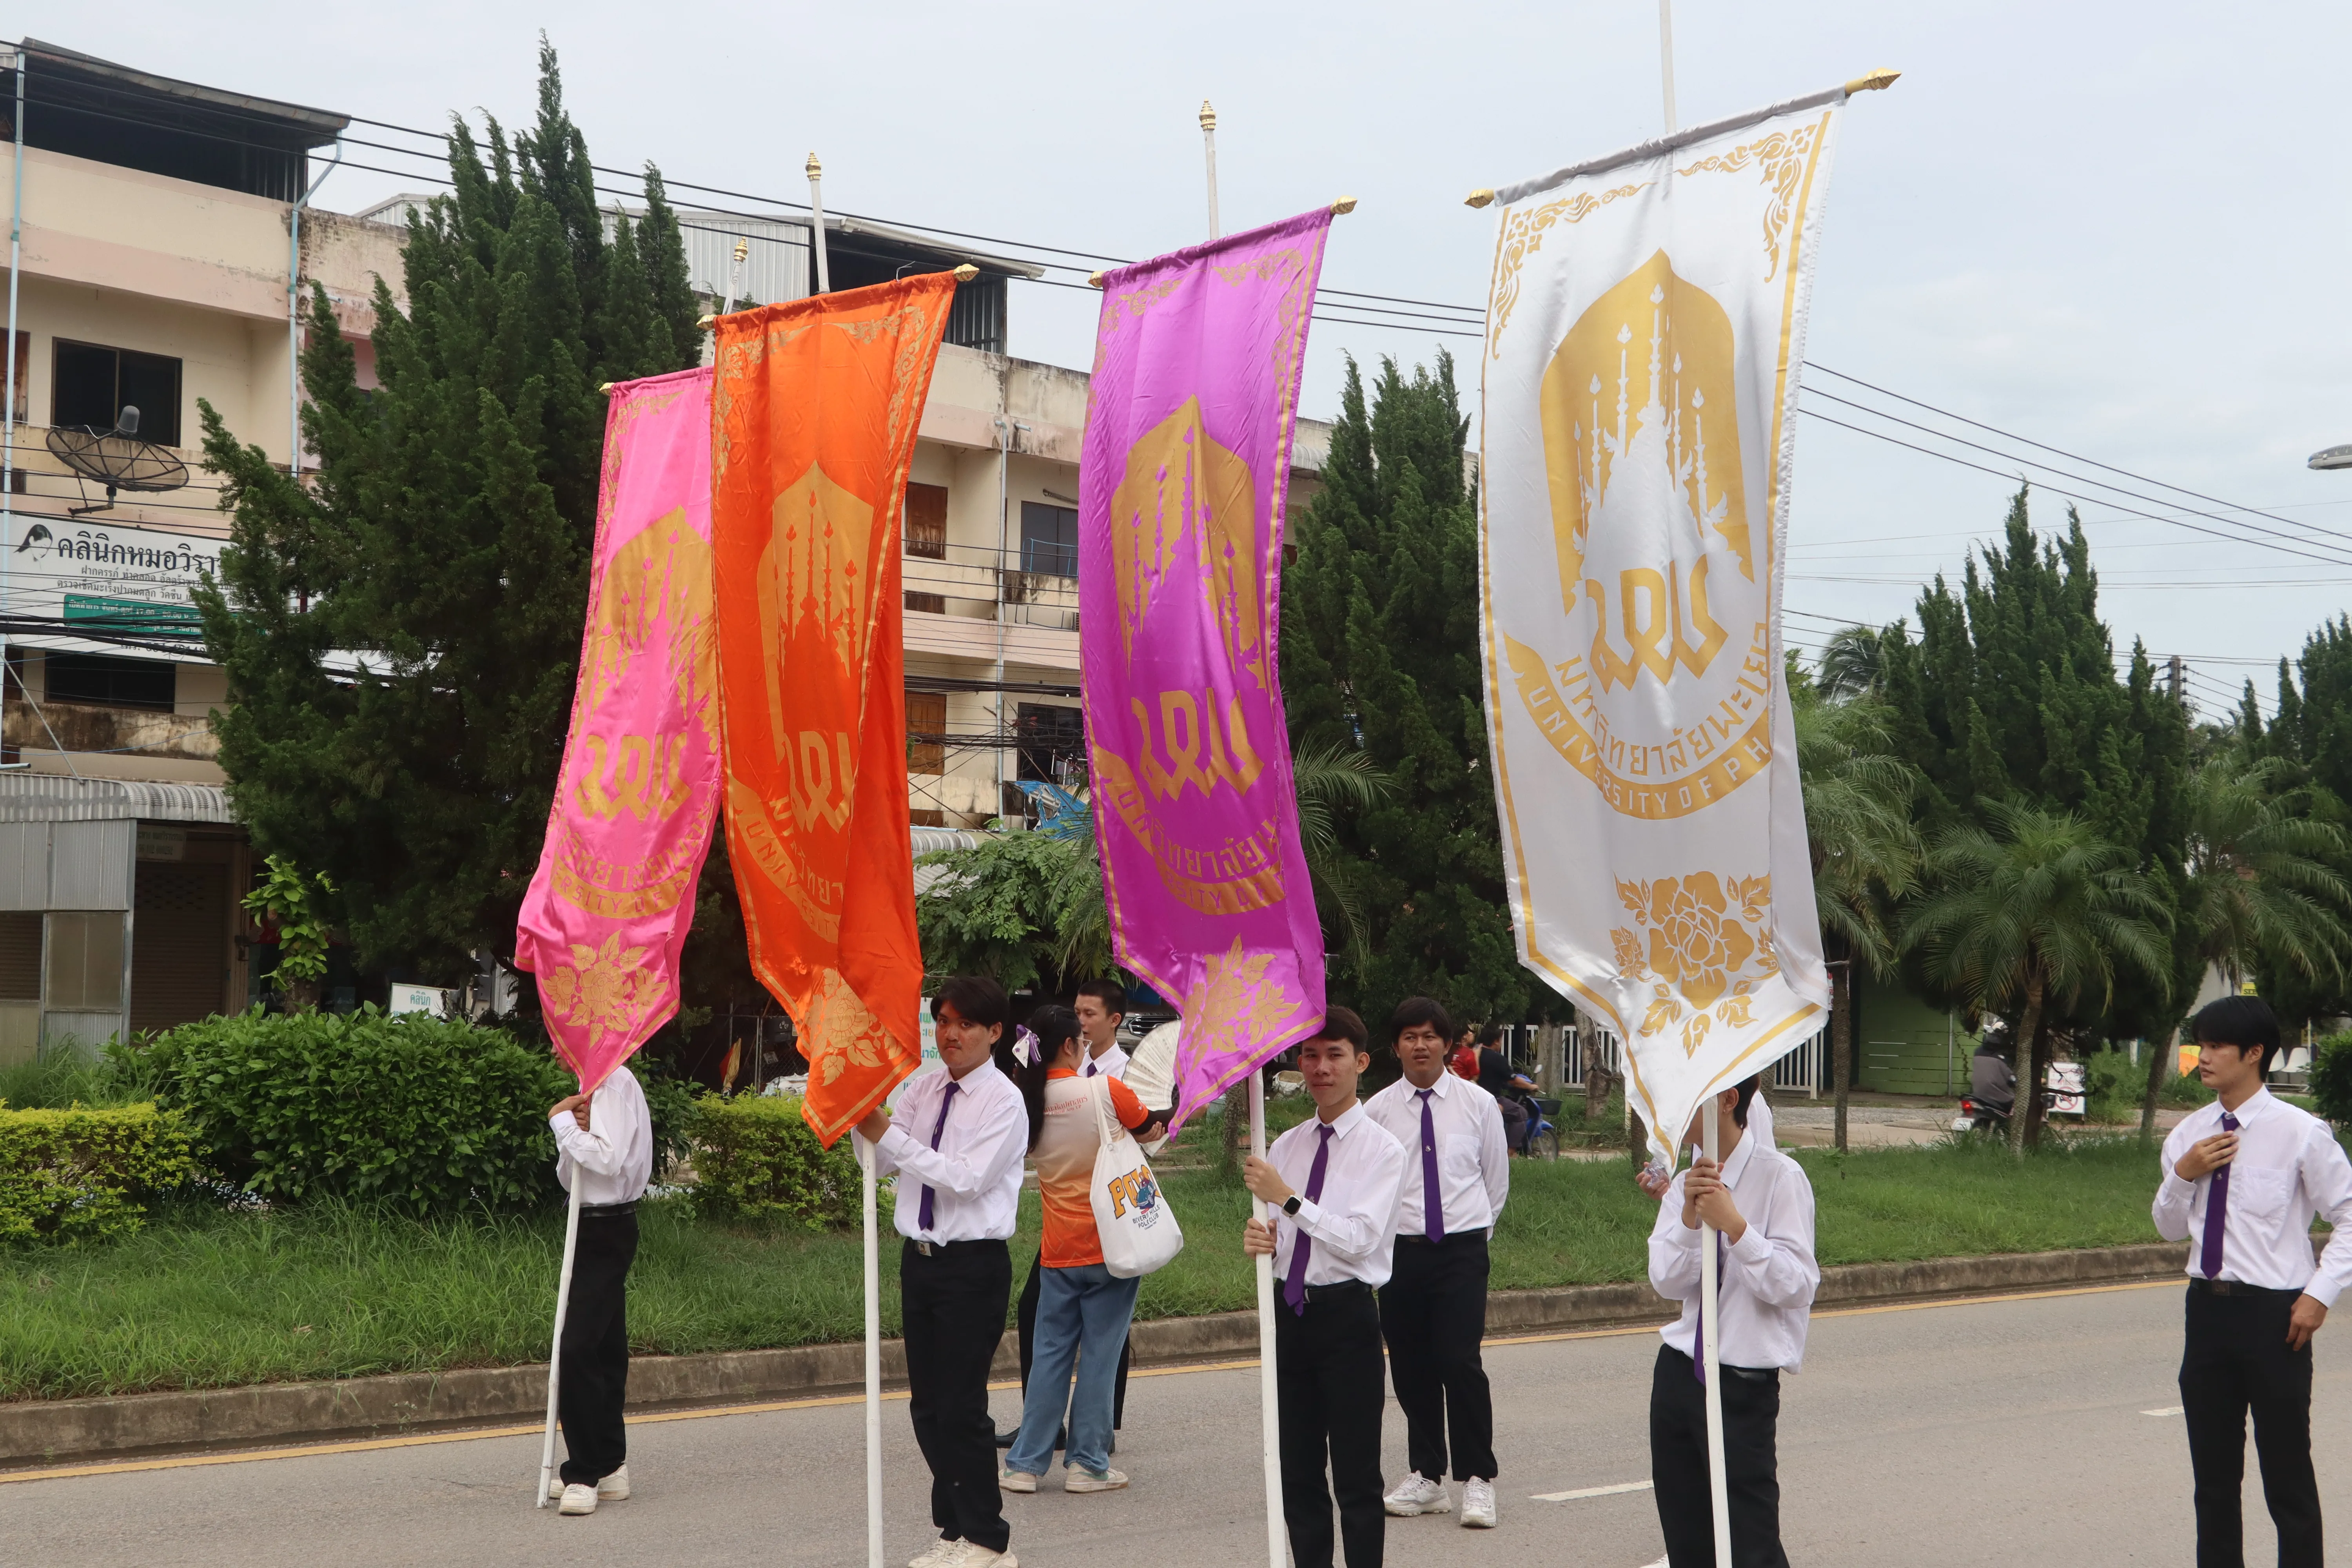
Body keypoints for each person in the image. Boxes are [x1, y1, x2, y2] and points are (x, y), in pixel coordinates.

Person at [2152, 995, 2352, 1568]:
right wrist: (2184, 1176)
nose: (2204, 1057)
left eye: (2216, 1046)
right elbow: (2168, 1229)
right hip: (2207, 1314)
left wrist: (2318, 1296)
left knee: (2287, 1474)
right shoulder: (2190, 1134)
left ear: (2255, 1054)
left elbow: (2348, 1215)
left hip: (2277, 1317)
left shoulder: (2301, 1133)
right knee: (2213, 1480)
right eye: (2202, 1044)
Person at [857, 977, 1029, 1568]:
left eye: (966, 1025)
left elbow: (965, 1178)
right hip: (921, 1262)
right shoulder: (924, 1090)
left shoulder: (1004, 1101)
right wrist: (863, 1119)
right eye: (944, 1022)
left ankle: (988, 1538)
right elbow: (883, 1162)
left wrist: (891, 1139)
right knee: (927, 1407)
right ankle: (954, 1530)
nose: (951, 1035)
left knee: (961, 1406)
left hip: (972, 1267)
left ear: (994, 1033)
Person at [1241, 1007, 1408, 1568]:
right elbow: (1287, 1236)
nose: (1320, 1067)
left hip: (1347, 1321)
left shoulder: (1383, 1150)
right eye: (1310, 1055)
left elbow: (1359, 1239)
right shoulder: (1286, 1144)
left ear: (1360, 1063)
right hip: (1290, 1318)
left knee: (1357, 1475)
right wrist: (1264, 1239)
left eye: (1334, 1055)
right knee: (1298, 1470)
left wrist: (1287, 1199)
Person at [1647, 1075, 1818, 1568]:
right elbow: (1667, 1282)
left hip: (1741, 1383)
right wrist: (1688, 1219)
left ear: (1728, 1099)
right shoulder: (1685, 1182)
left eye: (1691, 1094)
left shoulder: (1780, 1177)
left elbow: (1797, 1285)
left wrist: (1737, 1228)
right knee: (1688, 1537)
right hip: (1680, 1373)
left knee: (1750, 1543)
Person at [999, 1005, 1166, 1495]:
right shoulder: (1103, 1090)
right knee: (1100, 1354)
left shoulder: (1025, 1102)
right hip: (1114, 1246)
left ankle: (1025, 1464)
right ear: (1071, 1046)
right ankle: (1088, 1463)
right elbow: (1146, 1127)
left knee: (1050, 1353)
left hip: (1058, 1251)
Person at [1364, 996, 1510, 1529]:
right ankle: (1427, 1474)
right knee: (1410, 1365)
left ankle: (1478, 1478)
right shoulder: (1378, 1110)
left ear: (1448, 1045)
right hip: (1400, 1253)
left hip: (1462, 1250)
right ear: (1396, 1046)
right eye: (1409, 1036)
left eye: (1430, 1036)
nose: (1420, 1045)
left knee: (1459, 1360)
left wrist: (1470, 1231)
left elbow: (1495, 1182)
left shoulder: (1477, 1104)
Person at [544, 1063, 655, 1516]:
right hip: (593, 1225)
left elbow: (608, 1160)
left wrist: (561, 1120)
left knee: (577, 1347)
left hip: (608, 1227)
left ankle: (586, 1471)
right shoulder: (595, 1084)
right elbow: (576, 1174)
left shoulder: (612, 1082)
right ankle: (609, 1465)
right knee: (606, 1345)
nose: (553, 1042)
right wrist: (573, 1130)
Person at [1474, 1024, 1537, 1155]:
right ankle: (1510, 1153)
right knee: (1521, 1113)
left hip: (1473, 1098)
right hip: (1492, 1099)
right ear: (1496, 1041)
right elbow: (1514, 1081)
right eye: (1501, 1040)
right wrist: (1532, 1086)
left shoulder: (1474, 1053)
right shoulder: (1497, 1058)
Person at [1969, 1029, 2016, 1121]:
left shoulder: (1977, 1053)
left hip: (1977, 1092)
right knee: (2014, 1104)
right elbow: (2011, 1078)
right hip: (1998, 1095)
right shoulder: (2002, 1059)